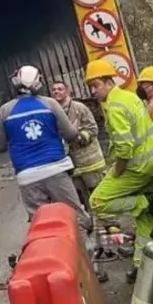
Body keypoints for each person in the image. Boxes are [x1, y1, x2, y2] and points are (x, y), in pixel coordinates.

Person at [0, 66, 94, 237]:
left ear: (15, 83)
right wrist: (75, 130)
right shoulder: (50, 104)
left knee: (42, 225)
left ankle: (52, 252)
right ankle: (84, 251)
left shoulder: (5, 111)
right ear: (39, 82)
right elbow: (70, 135)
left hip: (27, 177)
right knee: (75, 216)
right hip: (57, 170)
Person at [83, 59, 153, 284]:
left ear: (108, 81)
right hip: (152, 164)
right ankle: (139, 266)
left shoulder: (115, 107)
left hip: (136, 168)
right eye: (91, 87)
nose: (93, 91)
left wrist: (117, 171)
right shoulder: (130, 97)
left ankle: (144, 202)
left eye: (96, 85)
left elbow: (125, 147)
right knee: (144, 221)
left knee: (97, 201)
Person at [49, 79, 107, 211]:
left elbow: (93, 129)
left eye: (60, 89)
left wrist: (78, 137)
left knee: (97, 195)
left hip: (89, 162)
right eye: (54, 90)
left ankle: (107, 224)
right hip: (71, 165)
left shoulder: (79, 108)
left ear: (68, 91)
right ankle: (89, 225)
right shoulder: (51, 113)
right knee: (79, 200)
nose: (56, 91)